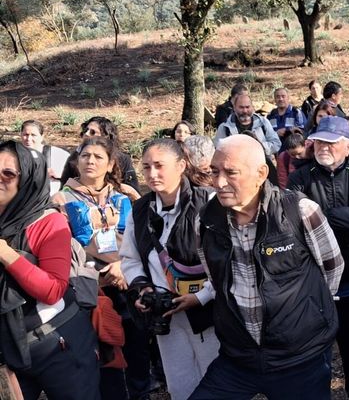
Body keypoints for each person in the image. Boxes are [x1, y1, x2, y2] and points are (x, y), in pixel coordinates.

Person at [189, 135, 343, 399]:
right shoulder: (205, 221)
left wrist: (304, 315)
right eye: (215, 172)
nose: (220, 182)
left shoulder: (301, 212)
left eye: (231, 172)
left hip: (299, 358)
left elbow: (332, 269)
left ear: (261, 173)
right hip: (238, 358)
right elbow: (216, 278)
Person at [0, 140, 101, 400]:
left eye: (8, 174)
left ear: (28, 179)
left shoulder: (48, 221)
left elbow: (53, 290)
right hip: (9, 347)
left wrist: (6, 253)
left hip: (58, 344)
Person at [120, 139, 219, 400]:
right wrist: (142, 288)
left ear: (181, 165)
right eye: (146, 167)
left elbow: (226, 260)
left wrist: (200, 297)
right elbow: (130, 259)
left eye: (159, 166)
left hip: (209, 311)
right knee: (180, 385)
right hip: (167, 314)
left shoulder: (208, 203)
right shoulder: (140, 210)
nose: (152, 174)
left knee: (216, 382)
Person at [288, 116, 349, 400]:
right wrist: (346, 219)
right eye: (319, 140)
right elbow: (293, 224)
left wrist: (325, 218)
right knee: (315, 352)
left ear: (348, 146)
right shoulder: (299, 177)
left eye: (330, 142)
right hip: (313, 282)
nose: (322, 146)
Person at [52, 137, 146, 400]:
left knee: (136, 347)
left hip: (128, 280)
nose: (90, 161)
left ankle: (140, 392)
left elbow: (143, 239)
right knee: (103, 353)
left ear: (110, 164)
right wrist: (96, 276)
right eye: (85, 156)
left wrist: (123, 266)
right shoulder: (60, 199)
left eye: (98, 157)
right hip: (90, 289)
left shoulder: (124, 195)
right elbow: (61, 250)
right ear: (76, 161)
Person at [61, 116, 140, 192]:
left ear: (105, 136)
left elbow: (133, 191)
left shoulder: (122, 159)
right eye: (85, 130)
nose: (87, 134)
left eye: (92, 132)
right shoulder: (75, 157)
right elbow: (65, 187)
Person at [214, 93, 281, 156]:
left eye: (247, 107)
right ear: (234, 108)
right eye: (241, 107)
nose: (245, 111)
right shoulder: (225, 127)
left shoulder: (263, 123)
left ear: (252, 107)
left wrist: (260, 146)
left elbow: (276, 144)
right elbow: (218, 149)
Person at [20, 120, 69, 195]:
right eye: (25, 135)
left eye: (33, 135)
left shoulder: (58, 155)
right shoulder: (14, 156)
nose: (28, 139)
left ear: (42, 137)